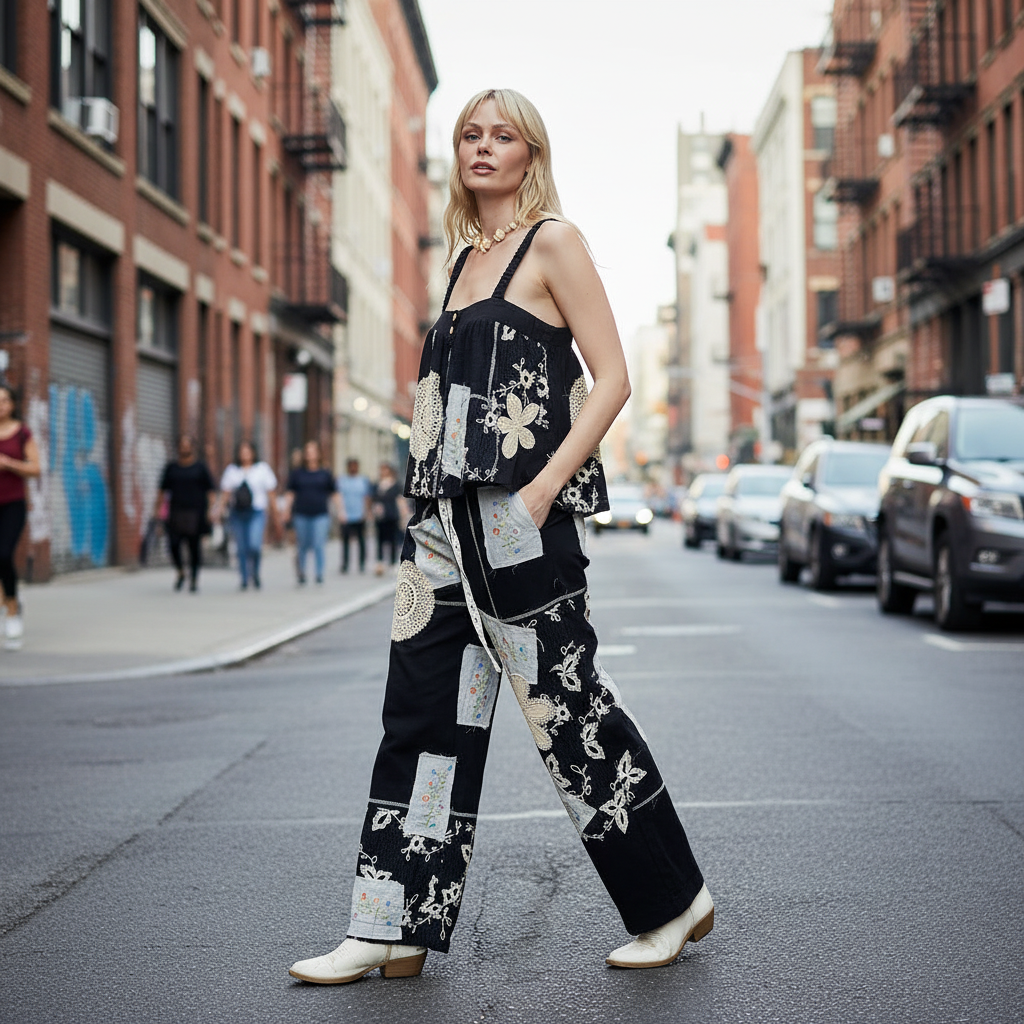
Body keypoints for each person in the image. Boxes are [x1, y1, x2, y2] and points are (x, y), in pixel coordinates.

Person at [289, 89, 711, 986]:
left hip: (520, 521)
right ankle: (391, 923)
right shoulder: (460, 260)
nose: (484, 148)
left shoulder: (551, 241)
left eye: (503, 135)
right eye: (470, 135)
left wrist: (544, 490)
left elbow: (615, 379)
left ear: (531, 154)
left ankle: (673, 904)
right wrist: (425, 512)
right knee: (421, 714)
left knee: (566, 714)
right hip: (440, 522)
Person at [0, 383, 41, 650]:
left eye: (4, 400)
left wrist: (9, 463)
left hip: (12, 505)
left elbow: (35, 468)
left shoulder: (22, 433)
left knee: (3, 555)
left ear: (12, 404)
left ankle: (13, 610)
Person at [154, 434, 215, 592]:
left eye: (187, 444)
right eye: (182, 445)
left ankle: (194, 578)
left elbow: (211, 491)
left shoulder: (200, 467)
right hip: (175, 513)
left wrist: (210, 511)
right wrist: (157, 514)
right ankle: (181, 572)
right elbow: (161, 491)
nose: (184, 447)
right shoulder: (171, 468)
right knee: (173, 544)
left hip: (196, 513)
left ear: (192, 447)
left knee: (194, 547)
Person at [217, 440, 277, 590]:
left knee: (254, 545)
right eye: (242, 451)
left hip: (256, 511)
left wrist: (276, 514)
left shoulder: (262, 469)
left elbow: (271, 493)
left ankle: (255, 573)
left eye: (248, 451)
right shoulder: (232, 470)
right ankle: (244, 578)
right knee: (241, 548)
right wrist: (218, 511)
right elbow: (225, 494)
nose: (245, 454)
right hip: (237, 513)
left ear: (253, 453)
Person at [284, 440, 337, 585]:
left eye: (313, 451)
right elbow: (290, 493)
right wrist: (286, 510)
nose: (310, 454)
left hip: (320, 513)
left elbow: (334, 493)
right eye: (308, 451)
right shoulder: (297, 473)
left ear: (318, 454)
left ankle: (319, 574)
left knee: (319, 544)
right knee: (302, 544)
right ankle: (301, 572)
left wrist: (341, 511)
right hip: (301, 513)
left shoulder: (325, 473)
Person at [337, 458, 371, 574]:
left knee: (361, 540)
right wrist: (341, 511)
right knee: (345, 541)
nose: (353, 468)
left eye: (354, 466)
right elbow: (339, 497)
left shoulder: (363, 480)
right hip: (346, 515)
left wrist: (366, 512)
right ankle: (345, 564)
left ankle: (361, 563)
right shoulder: (342, 480)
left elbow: (366, 497)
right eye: (350, 466)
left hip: (359, 514)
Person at [371, 462, 402, 575]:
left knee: (393, 539)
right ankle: (380, 562)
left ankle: (393, 562)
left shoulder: (395, 485)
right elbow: (373, 499)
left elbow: (400, 500)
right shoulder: (377, 485)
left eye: (385, 469)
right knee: (380, 539)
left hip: (392, 514)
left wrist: (404, 515)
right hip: (380, 516)